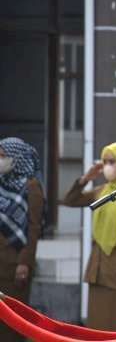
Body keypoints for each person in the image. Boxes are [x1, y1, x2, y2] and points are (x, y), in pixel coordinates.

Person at [63, 142, 116, 332]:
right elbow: (70, 200)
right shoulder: (103, 190)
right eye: (105, 161)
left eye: (113, 161)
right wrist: (85, 178)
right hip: (98, 265)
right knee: (98, 319)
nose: (108, 166)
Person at [0, 138, 45, 342]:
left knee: (12, 322)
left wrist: (24, 262)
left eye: (3, 156)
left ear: (17, 158)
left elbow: (34, 228)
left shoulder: (31, 187)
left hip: (14, 266)